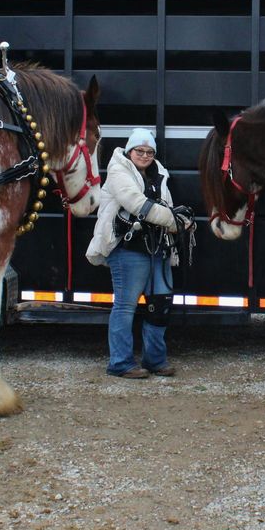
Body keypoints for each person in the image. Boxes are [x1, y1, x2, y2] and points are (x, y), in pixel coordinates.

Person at [86, 128, 193, 379]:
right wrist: (174, 221)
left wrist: (176, 219)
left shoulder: (159, 174)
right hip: (127, 249)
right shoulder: (118, 170)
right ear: (129, 150)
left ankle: (155, 360)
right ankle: (120, 363)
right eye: (139, 150)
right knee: (125, 305)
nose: (144, 155)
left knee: (160, 304)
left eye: (149, 151)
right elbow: (135, 203)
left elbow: (161, 205)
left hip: (157, 248)